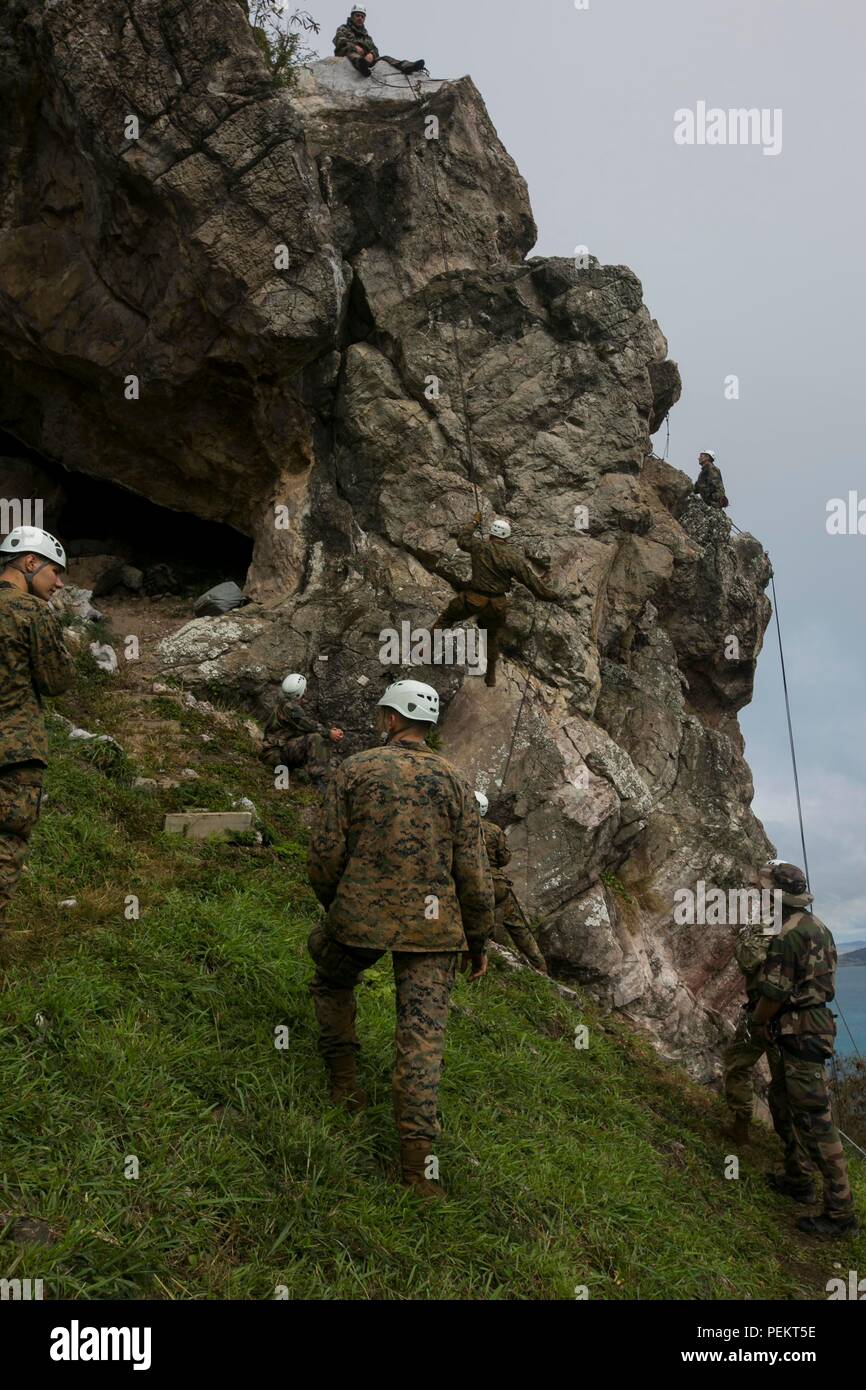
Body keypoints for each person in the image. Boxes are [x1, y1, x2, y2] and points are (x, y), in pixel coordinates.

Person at [307, 679, 494, 1198]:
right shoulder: (457, 782)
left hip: (360, 917)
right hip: (436, 933)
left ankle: (344, 1082)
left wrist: (336, 905)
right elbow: (474, 875)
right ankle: (418, 1170)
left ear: (391, 720)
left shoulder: (356, 768)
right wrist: (478, 942)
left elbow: (324, 854)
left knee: (330, 974)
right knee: (422, 1040)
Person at [750, 861, 858, 1238]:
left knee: (816, 1122)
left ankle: (841, 1214)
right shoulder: (821, 928)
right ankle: (798, 1179)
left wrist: (758, 1021)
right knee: (783, 1100)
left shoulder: (788, 935)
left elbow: (775, 992)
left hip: (799, 1031)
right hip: (809, 1028)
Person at [0, 526, 75, 930]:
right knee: (4, 852)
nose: (59, 583)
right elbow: (56, 681)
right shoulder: (31, 613)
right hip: (13, 760)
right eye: (54, 572)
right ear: (30, 563)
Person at [432, 514, 562, 688]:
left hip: (473, 598)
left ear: (491, 534)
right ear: (506, 537)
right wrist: (550, 595)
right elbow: (530, 581)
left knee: (446, 619)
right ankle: (490, 676)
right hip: (496, 606)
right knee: (491, 637)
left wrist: (474, 521)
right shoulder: (512, 557)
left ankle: (425, 648)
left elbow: (463, 540)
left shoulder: (479, 546)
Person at [476, 791, 547, 973]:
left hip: (470, 881)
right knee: (516, 924)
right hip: (496, 884)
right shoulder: (494, 830)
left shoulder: (458, 827)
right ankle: (539, 964)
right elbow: (504, 858)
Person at [260, 674, 343, 789]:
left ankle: (320, 778)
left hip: (277, 753)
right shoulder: (291, 707)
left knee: (318, 742)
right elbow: (307, 725)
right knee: (316, 739)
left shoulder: (285, 704)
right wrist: (329, 733)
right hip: (275, 755)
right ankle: (320, 783)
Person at [333, 8, 426, 79]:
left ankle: (407, 66)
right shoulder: (343, 28)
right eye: (357, 15)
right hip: (348, 53)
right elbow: (340, 40)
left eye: (362, 16)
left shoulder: (366, 36)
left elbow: (375, 49)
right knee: (351, 52)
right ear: (352, 16)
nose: (360, 18)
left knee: (385, 58)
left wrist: (371, 54)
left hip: (366, 59)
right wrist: (354, 47)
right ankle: (361, 65)